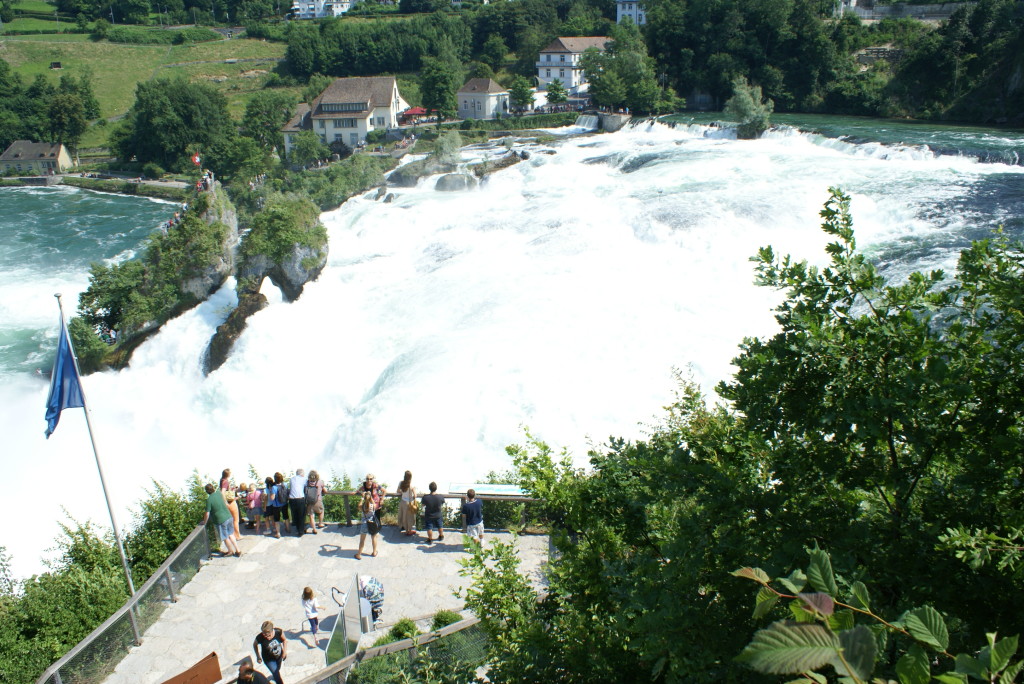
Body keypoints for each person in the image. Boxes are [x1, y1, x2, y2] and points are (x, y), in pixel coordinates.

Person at [202, 483, 240, 557]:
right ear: (213, 488)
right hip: (228, 516)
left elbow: (207, 513)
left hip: (220, 520)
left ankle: (230, 551)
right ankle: (238, 550)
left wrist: (204, 522)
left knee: (225, 537)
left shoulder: (209, 500)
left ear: (207, 491)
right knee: (231, 534)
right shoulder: (219, 494)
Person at [253, 620, 287, 684]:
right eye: (265, 635)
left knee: (278, 669)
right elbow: (254, 645)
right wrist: (258, 656)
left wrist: (284, 651)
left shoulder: (278, 632)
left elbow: (284, 640)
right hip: (269, 659)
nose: (267, 637)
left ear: (272, 631)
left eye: (269, 635)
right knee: (276, 674)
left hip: (279, 656)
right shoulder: (260, 637)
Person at [355, 493, 379, 559]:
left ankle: (359, 554)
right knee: (374, 538)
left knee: (362, 540)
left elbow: (359, 505)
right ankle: (374, 552)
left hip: (364, 524)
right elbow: (375, 504)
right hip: (372, 523)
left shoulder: (362, 506)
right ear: (370, 498)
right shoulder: (373, 505)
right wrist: (371, 498)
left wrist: (362, 498)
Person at [288, 469, 308, 537]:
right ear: (302, 474)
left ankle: (297, 528)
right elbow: (306, 486)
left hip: (291, 499)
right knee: (301, 515)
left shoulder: (291, 479)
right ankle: (301, 531)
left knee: (295, 515)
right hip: (300, 499)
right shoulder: (304, 479)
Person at [397, 471, 416, 536]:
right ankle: (409, 531)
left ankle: (406, 530)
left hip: (403, 502)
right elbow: (415, 495)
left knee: (403, 516)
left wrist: (402, 493)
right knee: (410, 517)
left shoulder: (401, 483)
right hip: (410, 503)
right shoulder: (411, 485)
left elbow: (398, 491)